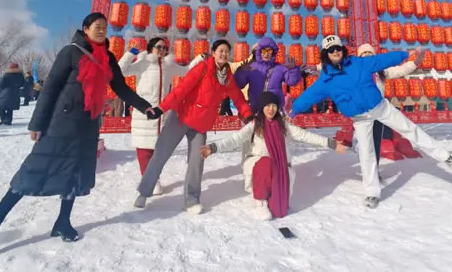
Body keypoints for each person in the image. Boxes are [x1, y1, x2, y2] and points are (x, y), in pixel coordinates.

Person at [0, 13, 153, 261]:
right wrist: (37, 123)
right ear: (85, 29)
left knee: (74, 173)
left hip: (88, 123)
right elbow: (51, 88)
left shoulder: (108, 57)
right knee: (35, 171)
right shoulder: (71, 52)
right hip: (61, 122)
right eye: (97, 27)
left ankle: (62, 221)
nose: (102, 31)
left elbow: (120, 87)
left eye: (104, 28)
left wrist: (145, 107)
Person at [291, 35, 452, 209]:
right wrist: (294, 110)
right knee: (366, 153)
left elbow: (383, 59)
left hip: (380, 108)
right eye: (331, 50)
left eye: (337, 48)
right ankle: (372, 192)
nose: (335, 52)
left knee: (410, 129)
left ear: (342, 49)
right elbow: (309, 96)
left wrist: (406, 54)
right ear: (325, 54)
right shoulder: (326, 79)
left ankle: (444, 156)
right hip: (360, 119)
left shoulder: (358, 63)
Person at [133, 39, 254, 214]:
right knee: (161, 154)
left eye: (227, 51)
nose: (224, 54)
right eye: (220, 50)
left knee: (197, 162)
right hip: (181, 118)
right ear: (213, 53)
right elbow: (181, 90)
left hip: (201, 124)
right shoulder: (202, 68)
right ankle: (144, 192)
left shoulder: (227, 77)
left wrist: (247, 114)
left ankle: (191, 199)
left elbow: (238, 98)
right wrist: (161, 108)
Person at [201, 91, 347, 220]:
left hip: (280, 167)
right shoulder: (255, 124)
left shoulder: (283, 124)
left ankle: (274, 196)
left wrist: (332, 144)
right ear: (262, 107)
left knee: (279, 209)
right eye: (267, 105)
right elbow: (234, 140)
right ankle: (260, 202)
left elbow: (306, 136)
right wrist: (213, 148)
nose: (271, 109)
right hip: (258, 164)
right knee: (266, 162)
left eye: (274, 106)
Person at [118, 37, 204, 195]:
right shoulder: (143, 63)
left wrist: (199, 58)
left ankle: (154, 177)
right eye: (159, 47)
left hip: (162, 112)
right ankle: (149, 180)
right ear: (151, 48)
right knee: (144, 149)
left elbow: (186, 71)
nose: (162, 50)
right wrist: (131, 53)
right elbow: (121, 70)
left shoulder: (169, 65)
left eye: (165, 48)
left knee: (158, 149)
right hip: (144, 112)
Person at [355, 44, 423, 173]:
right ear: (359, 56)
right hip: (362, 113)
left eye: (369, 53)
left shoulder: (381, 71)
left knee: (376, 142)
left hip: (378, 111)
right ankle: (367, 172)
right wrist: (318, 67)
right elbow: (335, 71)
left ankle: (375, 171)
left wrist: (414, 63)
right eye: (364, 53)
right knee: (365, 145)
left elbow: (399, 70)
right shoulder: (355, 72)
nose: (367, 55)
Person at [234, 36, 301, 112]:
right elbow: (239, 84)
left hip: (274, 110)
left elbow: (292, 81)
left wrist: (293, 69)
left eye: (269, 51)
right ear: (259, 51)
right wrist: (241, 71)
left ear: (273, 52)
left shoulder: (280, 68)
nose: (266, 54)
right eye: (263, 51)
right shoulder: (251, 67)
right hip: (256, 109)